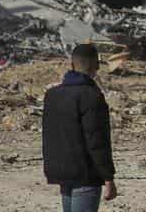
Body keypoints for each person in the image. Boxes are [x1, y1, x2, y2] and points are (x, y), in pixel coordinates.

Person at [42, 44, 118, 211]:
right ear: (96, 66)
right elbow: (97, 140)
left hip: (61, 173)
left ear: (72, 65)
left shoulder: (52, 95)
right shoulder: (91, 96)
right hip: (85, 175)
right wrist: (108, 177)